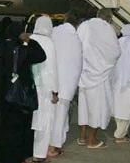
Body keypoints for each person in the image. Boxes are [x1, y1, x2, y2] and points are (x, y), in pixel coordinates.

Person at [0, 24, 47, 163]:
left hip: (3, 99)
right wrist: (29, 40)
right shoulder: (23, 49)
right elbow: (41, 56)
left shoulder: (1, 47)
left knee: (1, 135)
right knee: (18, 135)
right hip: (19, 99)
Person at [77, 9, 121, 148]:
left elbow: (77, 45)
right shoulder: (108, 29)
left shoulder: (84, 26)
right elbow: (115, 52)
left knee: (84, 107)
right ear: (108, 18)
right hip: (100, 76)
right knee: (97, 108)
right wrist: (102, 64)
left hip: (84, 74)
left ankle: (82, 137)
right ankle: (92, 140)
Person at [49, 11, 83, 157]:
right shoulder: (75, 38)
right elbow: (77, 64)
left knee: (49, 115)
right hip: (65, 84)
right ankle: (53, 148)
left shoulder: (54, 32)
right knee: (61, 116)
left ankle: (45, 144)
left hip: (50, 81)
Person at [29, 16, 59, 162]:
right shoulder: (49, 42)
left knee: (30, 119)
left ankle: (27, 152)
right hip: (45, 88)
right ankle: (39, 154)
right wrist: (55, 90)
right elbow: (52, 68)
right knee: (44, 120)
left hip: (29, 85)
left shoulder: (29, 39)